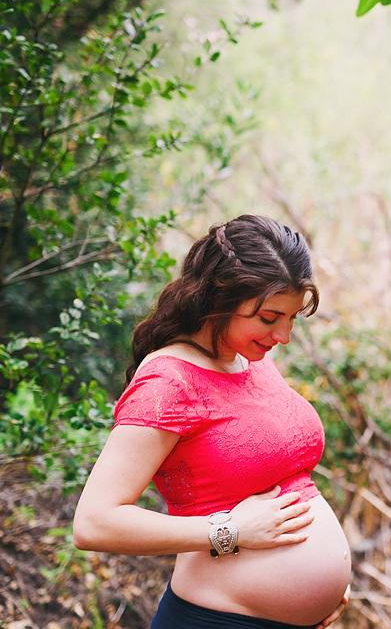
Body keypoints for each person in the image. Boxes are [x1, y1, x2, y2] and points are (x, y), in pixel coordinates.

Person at [73, 215, 352, 629]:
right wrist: (229, 530)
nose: (284, 336)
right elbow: (94, 522)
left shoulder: (249, 357)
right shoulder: (168, 382)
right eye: (269, 318)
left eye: (292, 318)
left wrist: (320, 589)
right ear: (218, 300)